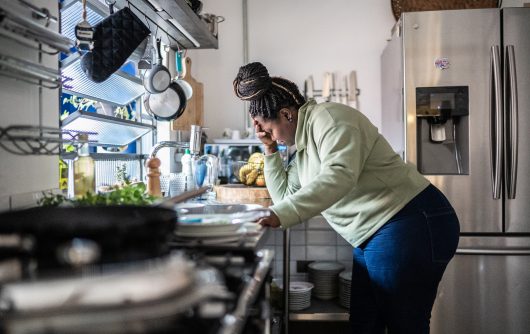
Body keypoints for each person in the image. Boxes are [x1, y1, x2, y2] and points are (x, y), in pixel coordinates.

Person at [233, 62, 460, 334]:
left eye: (268, 130)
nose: (268, 135)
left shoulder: (328, 119)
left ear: (286, 114)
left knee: (404, 325)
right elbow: (283, 197)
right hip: (375, 233)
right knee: (364, 324)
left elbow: (340, 176)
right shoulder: (302, 149)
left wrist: (279, 214)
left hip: (410, 221)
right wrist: (269, 149)